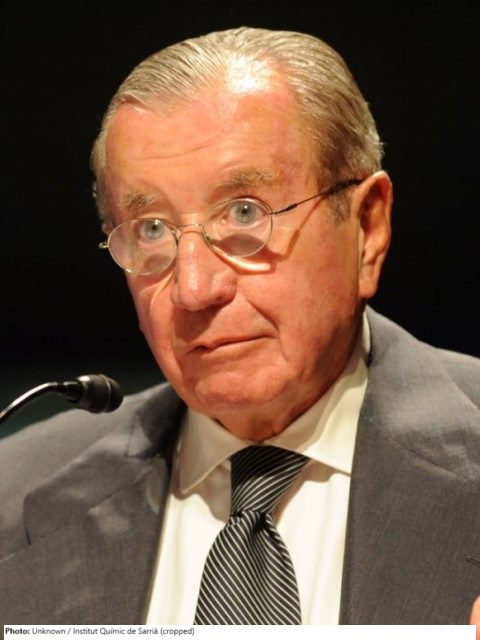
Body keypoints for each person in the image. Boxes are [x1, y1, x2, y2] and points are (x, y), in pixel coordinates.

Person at [0, 27, 478, 628]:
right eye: (151, 229)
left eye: (245, 213)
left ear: (368, 229)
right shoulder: (12, 494)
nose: (194, 289)